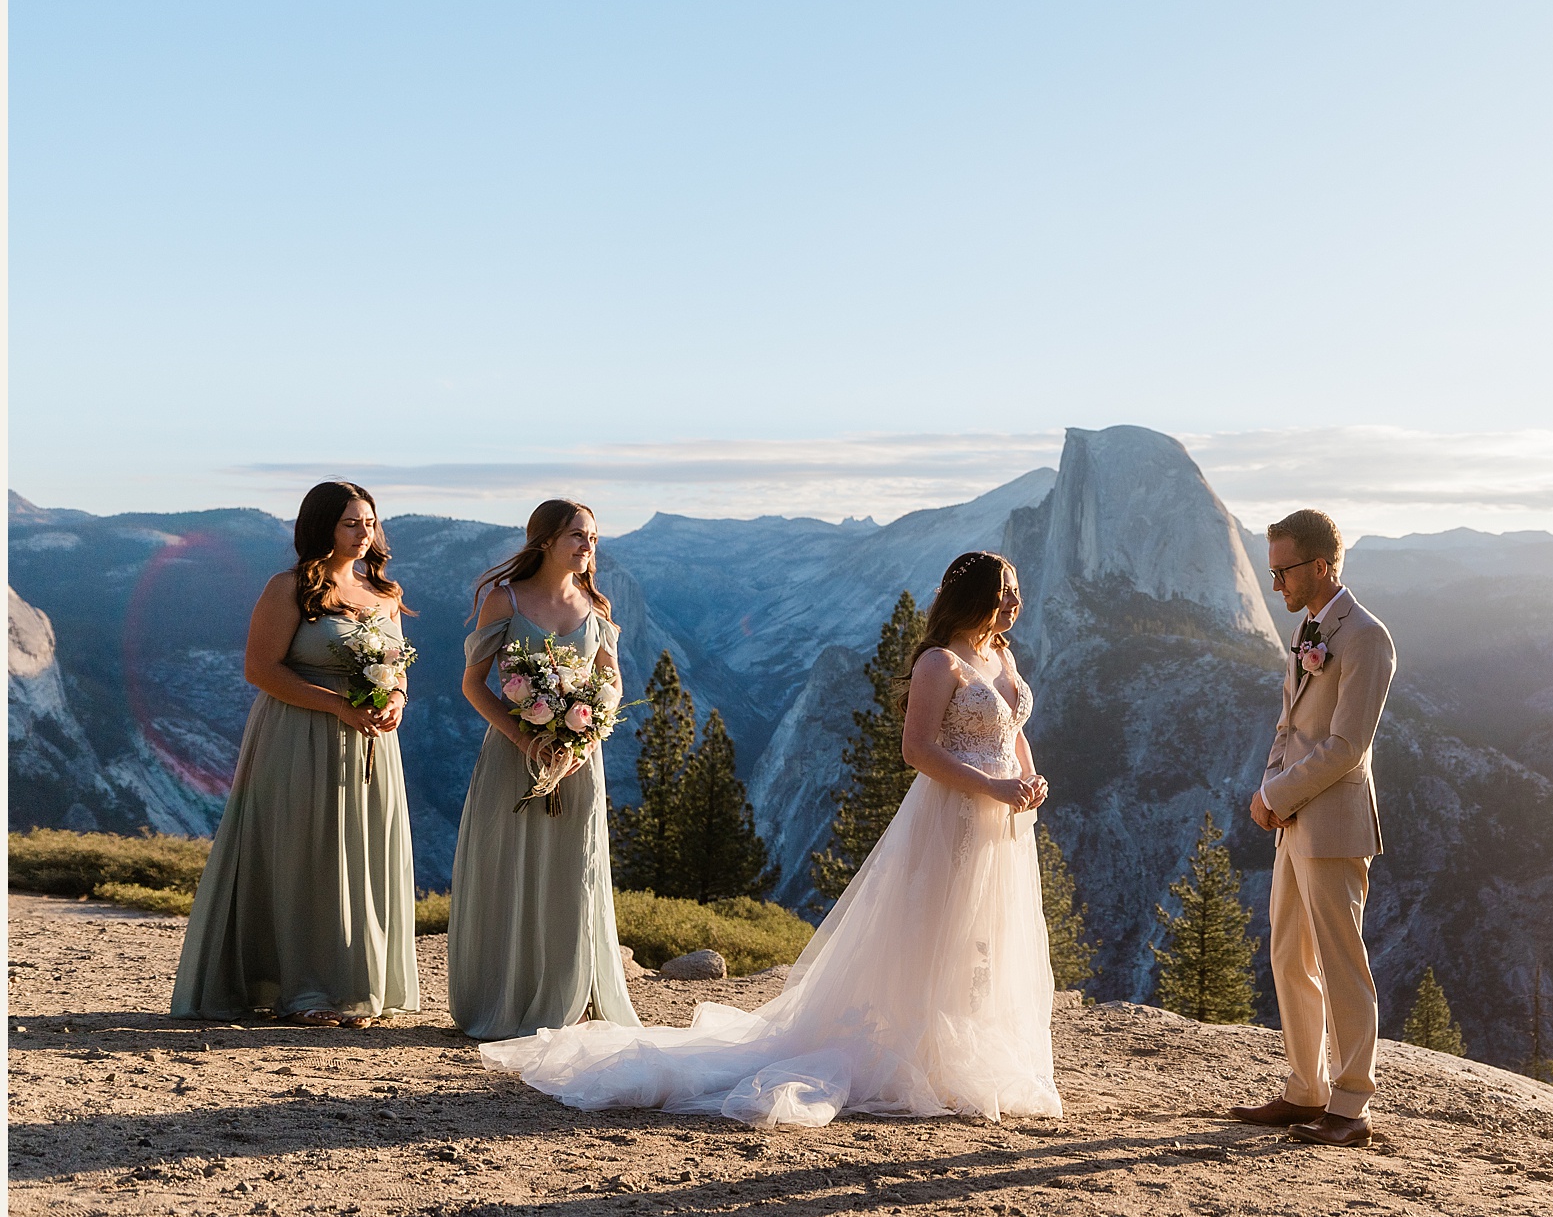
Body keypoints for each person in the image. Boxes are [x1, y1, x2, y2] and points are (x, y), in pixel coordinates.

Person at [480, 550, 1061, 1126]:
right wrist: (993, 786)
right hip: (954, 813)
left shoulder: (1000, 656)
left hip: (1004, 815)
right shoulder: (940, 663)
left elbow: (1011, 730)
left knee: (986, 936)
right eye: (1006, 592)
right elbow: (918, 751)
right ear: (976, 597)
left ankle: (965, 1052)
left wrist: (1026, 779)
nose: (1016, 603)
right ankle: (924, 1054)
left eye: (1016, 592)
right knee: (939, 931)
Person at [171, 481, 419, 1028]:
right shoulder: (288, 588)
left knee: (361, 855)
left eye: (370, 523)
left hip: (371, 744)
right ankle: (304, 990)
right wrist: (338, 706)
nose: (363, 533)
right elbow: (260, 670)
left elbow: (398, 664)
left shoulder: (384, 594)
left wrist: (396, 697)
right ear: (321, 526)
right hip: (297, 734)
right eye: (350, 523)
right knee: (303, 855)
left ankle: (354, 985)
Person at [1233, 508, 1396, 1149]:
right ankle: (1305, 1088)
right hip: (1294, 819)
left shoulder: (1366, 637)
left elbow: (1347, 745)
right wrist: (1270, 791)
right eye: (1270, 571)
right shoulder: (1309, 631)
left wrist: (1277, 791)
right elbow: (1290, 726)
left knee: (1340, 957)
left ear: (1322, 563)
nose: (1276, 584)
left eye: (1284, 570)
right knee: (1288, 954)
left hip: (1334, 822)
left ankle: (1352, 1102)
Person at [447, 499, 640, 1041]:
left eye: (594, 538)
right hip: (514, 755)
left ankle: (573, 996)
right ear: (546, 540)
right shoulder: (503, 601)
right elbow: (472, 683)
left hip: (577, 761)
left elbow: (614, 685)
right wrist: (524, 738)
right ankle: (505, 995)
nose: (588, 547)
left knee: (572, 871)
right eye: (578, 536)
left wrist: (584, 739)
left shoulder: (595, 608)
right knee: (510, 866)